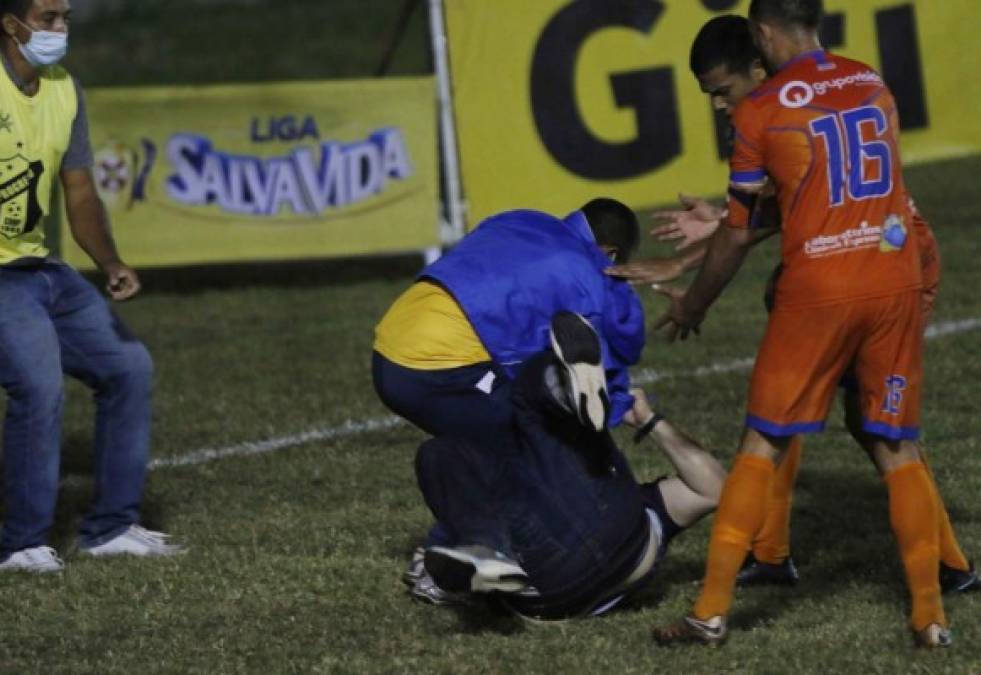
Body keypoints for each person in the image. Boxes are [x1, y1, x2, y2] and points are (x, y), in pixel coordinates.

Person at [611, 15, 976, 593]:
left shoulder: (777, 106)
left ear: (761, 59)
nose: (720, 108)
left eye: (723, 93)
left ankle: (946, 565)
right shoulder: (831, 87)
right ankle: (775, 553)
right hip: (864, 253)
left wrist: (696, 275)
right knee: (797, 407)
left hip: (888, 257)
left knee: (869, 423)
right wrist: (712, 235)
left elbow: (781, 213)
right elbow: (795, 203)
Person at [0, 0, 182, 572]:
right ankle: (22, 545)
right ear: (12, 24)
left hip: (40, 269)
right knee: (39, 389)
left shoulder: (64, 89)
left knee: (128, 367)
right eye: (48, 18)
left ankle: (110, 528)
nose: (60, 29)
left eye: (65, 17)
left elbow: (80, 192)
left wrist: (110, 260)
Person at [372, 198, 646, 602]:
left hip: (390, 343)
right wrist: (619, 407)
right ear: (610, 253)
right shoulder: (589, 274)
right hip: (437, 362)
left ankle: (457, 551)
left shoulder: (521, 219)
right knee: (529, 448)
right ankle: (479, 553)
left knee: (464, 450)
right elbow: (611, 351)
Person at [417, 311, 726, 620]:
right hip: (623, 544)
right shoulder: (652, 510)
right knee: (525, 421)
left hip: (543, 593)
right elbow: (716, 489)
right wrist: (650, 420)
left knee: (443, 451)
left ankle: (486, 548)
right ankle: (566, 390)